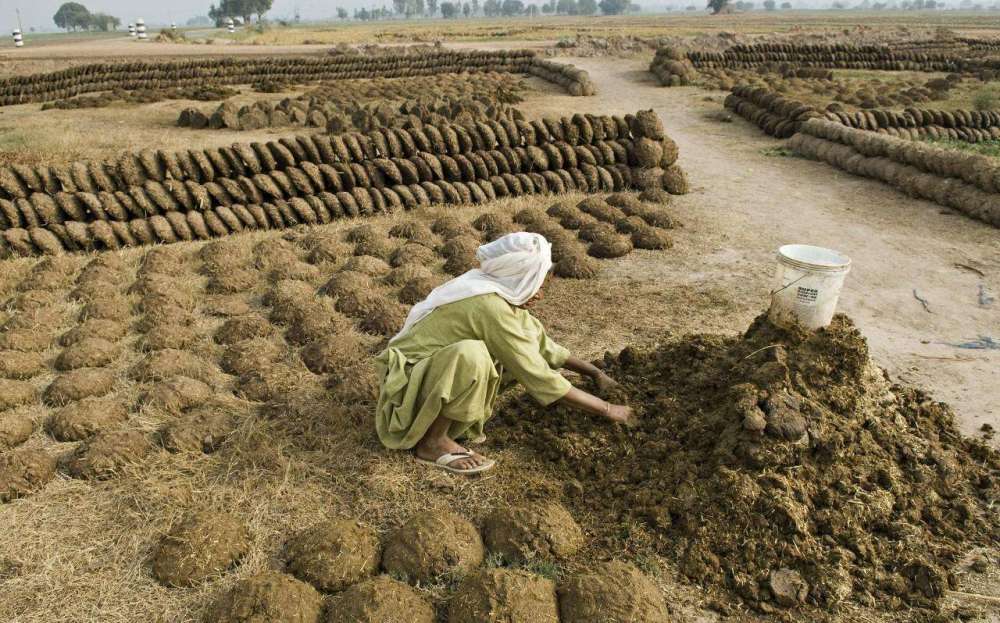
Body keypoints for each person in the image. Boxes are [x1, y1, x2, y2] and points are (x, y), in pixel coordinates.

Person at [374, 231, 633, 475]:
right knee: (472, 355)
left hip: (431, 376)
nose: (540, 294)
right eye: (536, 283)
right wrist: (608, 410)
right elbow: (538, 375)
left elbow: (542, 346)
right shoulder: (488, 305)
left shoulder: (496, 294)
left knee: (509, 348)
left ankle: (449, 426)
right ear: (517, 277)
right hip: (406, 390)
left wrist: (596, 373)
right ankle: (433, 442)